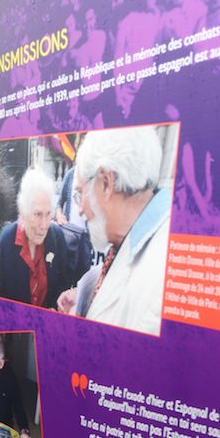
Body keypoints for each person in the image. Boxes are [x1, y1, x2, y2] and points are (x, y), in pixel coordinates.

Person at [58, 126, 172, 335]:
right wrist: (84, 296)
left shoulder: (161, 280)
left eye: (80, 193)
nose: (80, 209)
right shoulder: (131, 236)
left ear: (106, 183)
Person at [0, 168, 89, 309]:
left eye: (48, 214)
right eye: (37, 214)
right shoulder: (7, 240)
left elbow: (62, 286)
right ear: (23, 212)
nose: (44, 225)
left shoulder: (56, 237)